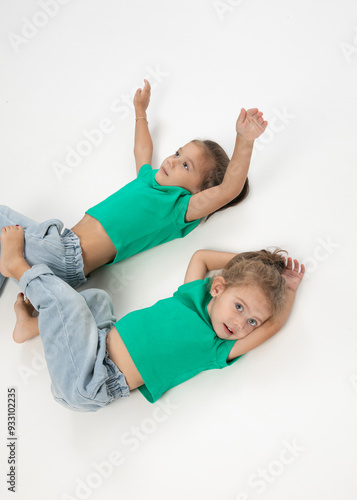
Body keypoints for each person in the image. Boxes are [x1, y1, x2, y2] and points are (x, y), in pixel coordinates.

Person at [0, 79, 268, 294]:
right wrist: (141, 112)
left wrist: (244, 141)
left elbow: (227, 190)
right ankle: (13, 272)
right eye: (177, 153)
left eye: (186, 166)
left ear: (198, 192)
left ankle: (15, 267)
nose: (173, 162)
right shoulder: (147, 179)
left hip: (67, 257)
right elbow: (142, 149)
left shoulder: (178, 208)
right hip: (58, 245)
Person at [1, 225, 304, 411]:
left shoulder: (217, 348)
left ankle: (17, 266)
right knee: (97, 298)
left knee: (68, 304)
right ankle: (32, 325)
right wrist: (254, 261)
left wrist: (288, 289)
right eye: (239, 307)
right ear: (218, 287)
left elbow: (274, 323)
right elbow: (201, 256)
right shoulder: (192, 295)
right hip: (99, 339)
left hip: (93, 381)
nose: (240, 324)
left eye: (251, 322)